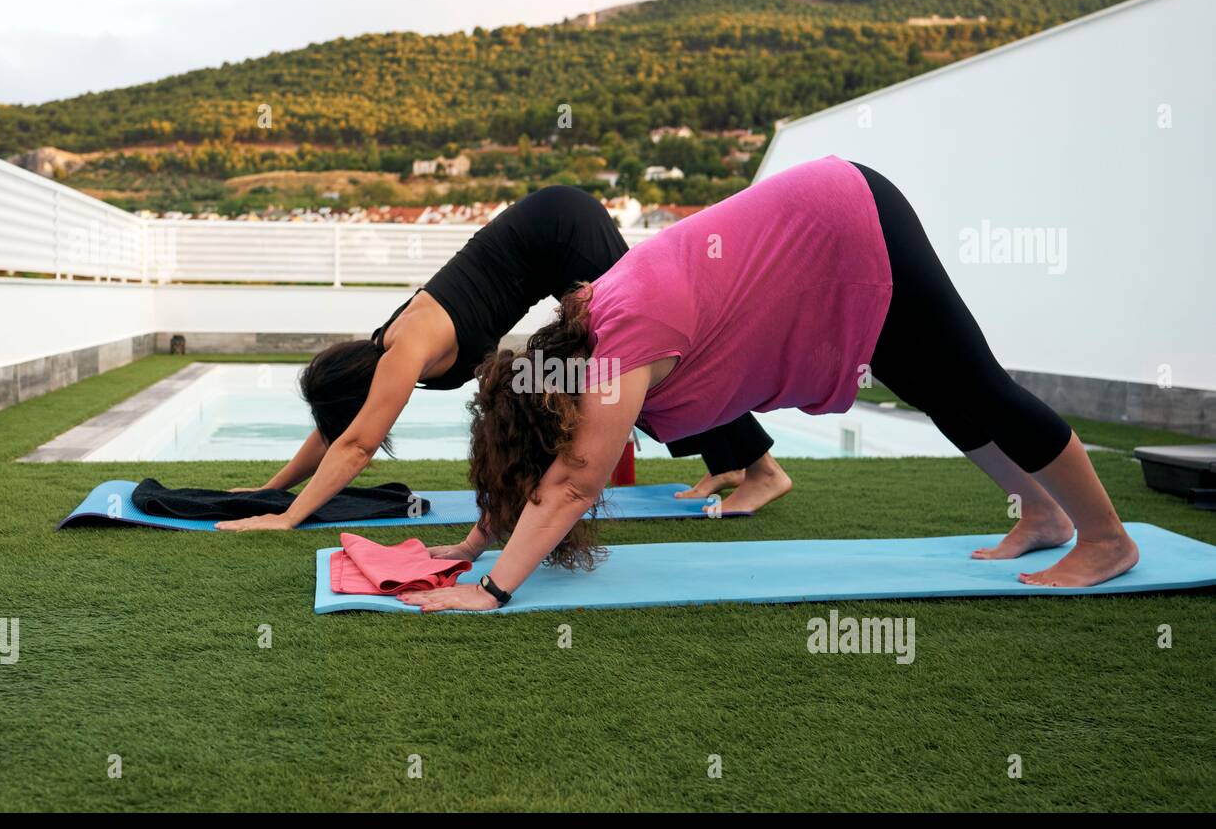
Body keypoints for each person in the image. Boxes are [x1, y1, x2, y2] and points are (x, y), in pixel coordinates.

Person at [401, 156, 1138, 611]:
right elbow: (543, 463)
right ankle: (1043, 516)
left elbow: (571, 482)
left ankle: (1106, 538)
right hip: (828, 242)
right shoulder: (587, 316)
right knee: (940, 388)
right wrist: (474, 542)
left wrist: (492, 589)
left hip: (849, 223)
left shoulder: (619, 349)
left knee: (977, 383)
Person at [216, 185, 790, 531]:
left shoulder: (402, 351)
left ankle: (761, 470)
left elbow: (357, 443)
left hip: (563, 232)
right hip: (548, 246)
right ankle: (730, 461)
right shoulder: (380, 349)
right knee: (615, 374)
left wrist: (290, 517)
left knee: (643, 364)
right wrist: (273, 490)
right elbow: (337, 428)